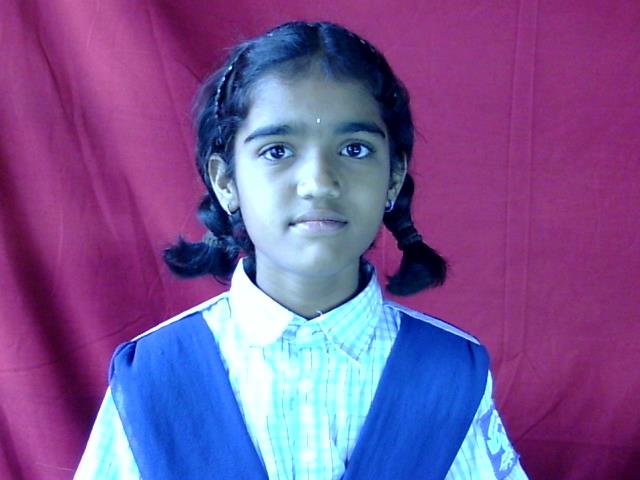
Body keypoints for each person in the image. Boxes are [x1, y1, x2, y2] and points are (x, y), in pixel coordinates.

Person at [76, 21, 528, 480]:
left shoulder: (449, 374)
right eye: (277, 151)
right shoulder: (155, 376)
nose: (318, 183)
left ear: (393, 177)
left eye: (354, 149)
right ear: (226, 181)